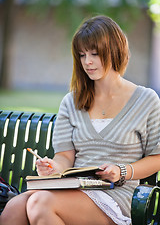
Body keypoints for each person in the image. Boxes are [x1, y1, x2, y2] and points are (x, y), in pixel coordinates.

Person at [1, 15, 160, 225]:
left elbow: (156, 157)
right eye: (82, 55)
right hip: (74, 188)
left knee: (41, 203)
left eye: (94, 53)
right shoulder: (72, 101)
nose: (88, 62)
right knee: (13, 209)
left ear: (114, 50)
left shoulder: (146, 100)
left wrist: (122, 170)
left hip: (117, 195)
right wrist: (54, 167)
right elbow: (64, 157)